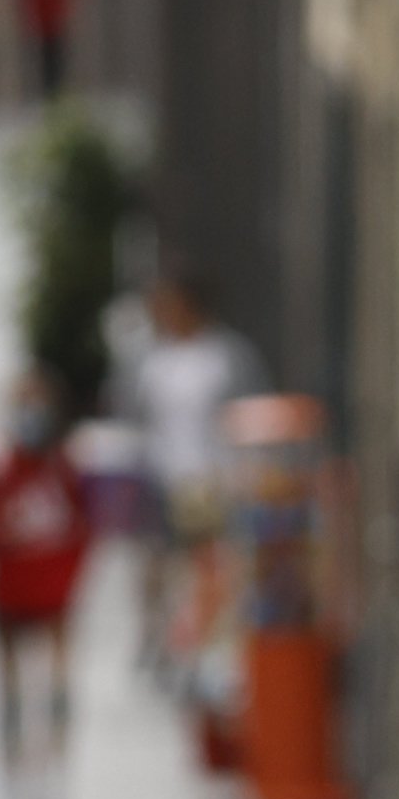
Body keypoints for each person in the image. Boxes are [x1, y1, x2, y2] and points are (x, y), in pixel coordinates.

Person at [0, 374, 90, 799]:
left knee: (57, 695)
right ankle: (15, 797)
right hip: (9, 599)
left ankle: (55, 793)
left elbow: (84, 531)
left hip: (55, 599)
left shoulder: (66, 473)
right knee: (12, 699)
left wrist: (66, 580)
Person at [132, 270, 254, 680]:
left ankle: (203, 642)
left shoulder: (223, 357)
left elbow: (243, 415)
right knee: (160, 567)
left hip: (209, 482)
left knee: (207, 566)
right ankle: (161, 641)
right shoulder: (152, 360)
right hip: (164, 478)